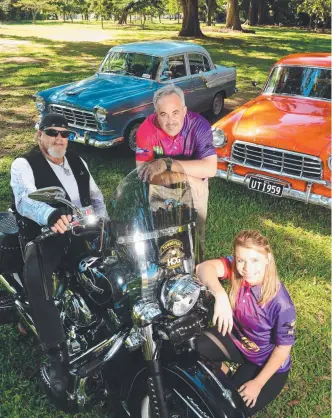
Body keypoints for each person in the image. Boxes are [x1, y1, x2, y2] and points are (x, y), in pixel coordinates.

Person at [10, 113, 107, 397]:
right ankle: (57, 356)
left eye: (65, 134)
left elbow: (97, 197)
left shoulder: (77, 161)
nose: (59, 139)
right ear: (39, 135)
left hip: (80, 231)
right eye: (52, 132)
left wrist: (105, 222)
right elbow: (24, 199)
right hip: (44, 235)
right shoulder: (24, 164)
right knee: (38, 280)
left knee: (112, 266)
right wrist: (50, 215)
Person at [196, 230, 296, 416]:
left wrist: (257, 383)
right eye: (241, 260)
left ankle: (237, 381)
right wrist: (220, 295)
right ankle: (223, 373)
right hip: (237, 342)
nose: (247, 268)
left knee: (228, 411)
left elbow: (283, 350)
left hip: (264, 363)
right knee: (189, 347)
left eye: (255, 260)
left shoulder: (282, 304)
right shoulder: (237, 270)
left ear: (268, 259)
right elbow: (203, 268)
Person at [135, 84, 217, 259]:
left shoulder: (200, 126)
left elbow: (210, 168)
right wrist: (187, 177)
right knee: (161, 234)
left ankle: (196, 269)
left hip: (196, 188)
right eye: (163, 114)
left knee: (196, 234)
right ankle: (164, 273)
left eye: (175, 112)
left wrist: (166, 163)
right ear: (156, 114)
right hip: (163, 186)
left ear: (185, 110)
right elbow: (143, 173)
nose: (170, 121)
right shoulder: (145, 130)